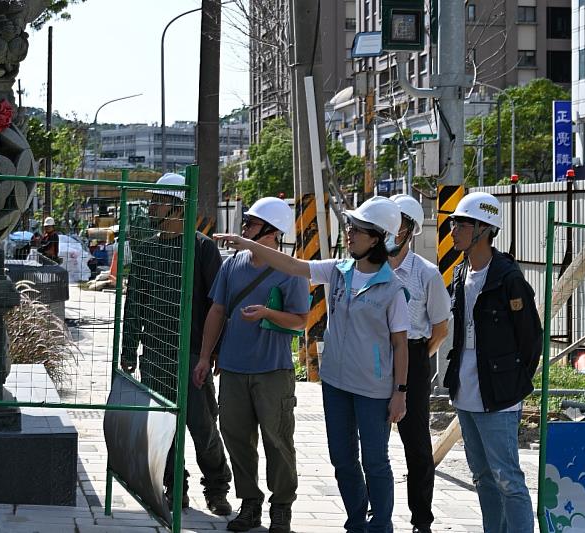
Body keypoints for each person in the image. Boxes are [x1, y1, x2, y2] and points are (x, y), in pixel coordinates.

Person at [214, 195, 410, 533]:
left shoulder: (392, 288)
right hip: (336, 385)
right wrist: (246, 242)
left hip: (374, 390)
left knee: (375, 462)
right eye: (349, 226)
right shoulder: (338, 270)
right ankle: (355, 524)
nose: (348, 233)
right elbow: (292, 266)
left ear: (376, 238)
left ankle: (380, 525)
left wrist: (400, 392)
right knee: (343, 461)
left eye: (357, 229)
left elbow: (400, 345)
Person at [193, 197, 310, 533]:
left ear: (272, 231)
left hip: (273, 371)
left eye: (251, 223)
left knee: (277, 440)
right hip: (232, 369)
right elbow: (217, 311)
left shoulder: (291, 270)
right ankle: (250, 503)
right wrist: (204, 357)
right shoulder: (232, 265)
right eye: (245, 222)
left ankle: (282, 506)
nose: (244, 228)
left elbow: (301, 321)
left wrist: (268, 313)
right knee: (237, 438)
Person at [120, 173, 233, 516]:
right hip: (154, 355)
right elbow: (134, 302)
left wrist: (214, 352)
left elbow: (219, 304)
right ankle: (175, 487)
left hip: (193, 356)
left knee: (203, 428)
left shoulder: (202, 248)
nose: (152, 207)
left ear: (176, 207)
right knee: (164, 428)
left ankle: (216, 488)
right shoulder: (147, 249)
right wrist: (128, 349)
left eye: (158, 201)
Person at [442, 192, 542, 533]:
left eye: (460, 224)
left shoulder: (509, 279)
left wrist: (512, 383)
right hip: (464, 391)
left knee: (508, 479)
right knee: (483, 476)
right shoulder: (458, 274)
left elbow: (531, 341)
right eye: (453, 222)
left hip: (498, 396)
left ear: (484, 229)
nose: (452, 230)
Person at [387, 194, 450, 533]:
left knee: (416, 444)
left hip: (412, 357)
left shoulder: (426, 273)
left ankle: (421, 519)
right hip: (375, 356)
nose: (389, 231)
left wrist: (413, 361)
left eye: (397, 224)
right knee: (371, 440)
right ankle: (374, 511)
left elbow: (440, 329)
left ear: (409, 230)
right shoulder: (371, 268)